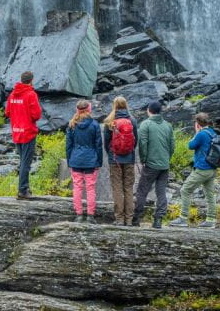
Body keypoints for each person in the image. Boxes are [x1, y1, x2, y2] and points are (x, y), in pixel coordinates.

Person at [131, 101, 175, 229]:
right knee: (161, 192)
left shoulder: (146, 124)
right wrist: (167, 158)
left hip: (150, 164)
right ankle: (158, 220)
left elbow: (143, 144)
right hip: (164, 165)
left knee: (142, 191)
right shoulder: (168, 125)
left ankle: (136, 218)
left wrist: (144, 159)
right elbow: (172, 146)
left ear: (149, 110)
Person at [171, 112, 218, 228]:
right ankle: (211, 220)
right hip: (212, 168)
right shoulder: (213, 133)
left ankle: (182, 218)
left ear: (197, 123)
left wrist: (196, 132)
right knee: (209, 194)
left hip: (202, 168)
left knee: (185, 190)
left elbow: (190, 145)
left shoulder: (201, 134)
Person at [5, 70, 42, 199]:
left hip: (16, 132)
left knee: (23, 161)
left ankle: (24, 188)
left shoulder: (12, 95)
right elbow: (36, 115)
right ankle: (23, 190)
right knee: (26, 162)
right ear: (31, 81)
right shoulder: (31, 94)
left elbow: (7, 112)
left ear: (21, 80)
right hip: (27, 133)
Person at [65, 99, 103, 222]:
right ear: (89, 109)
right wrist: (99, 161)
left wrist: (70, 160)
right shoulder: (94, 124)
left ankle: (79, 214)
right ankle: (91, 215)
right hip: (91, 160)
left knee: (77, 187)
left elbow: (68, 145)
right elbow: (98, 145)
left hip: (76, 159)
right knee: (90, 188)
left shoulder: (72, 124)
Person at [103, 96, 138, 226]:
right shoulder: (132, 120)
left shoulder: (110, 121)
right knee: (128, 188)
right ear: (126, 105)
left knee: (117, 188)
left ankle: (119, 219)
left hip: (115, 159)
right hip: (129, 158)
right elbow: (135, 141)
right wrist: (130, 152)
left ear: (114, 106)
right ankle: (129, 220)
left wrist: (111, 154)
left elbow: (106, 142)